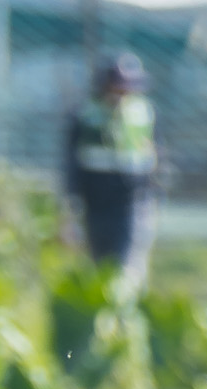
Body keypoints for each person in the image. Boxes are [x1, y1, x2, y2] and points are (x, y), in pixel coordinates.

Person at [66, 52, 158, 280]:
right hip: (95, 199)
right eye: (116, 88)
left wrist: (153, 196)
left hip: (130, 200)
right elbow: (71, 163)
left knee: (124, 264)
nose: (119, 95)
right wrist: (70, 207)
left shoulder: (142, 114)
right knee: (98, 263)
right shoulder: (86, 115)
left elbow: (155, 157)